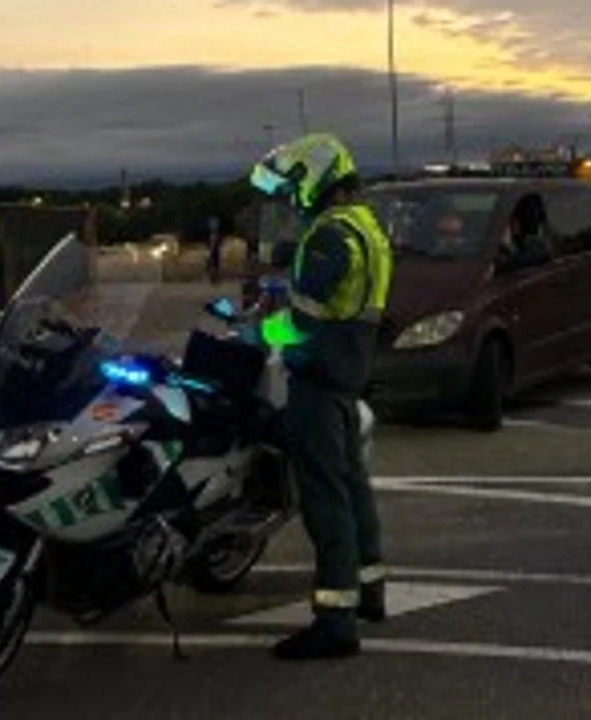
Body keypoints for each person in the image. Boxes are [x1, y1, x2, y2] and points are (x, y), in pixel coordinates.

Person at [247, 133, 394, 660]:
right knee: (354, 486)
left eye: (292, 187)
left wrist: (259, 332)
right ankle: (370, 590)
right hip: (351, 371)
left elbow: (304, 323)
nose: (290, 198)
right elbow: (345, 304)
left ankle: (335, 622)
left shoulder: (329, 235)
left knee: (325, 496)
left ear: (314, 176)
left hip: (318, 375)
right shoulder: (367, 227)